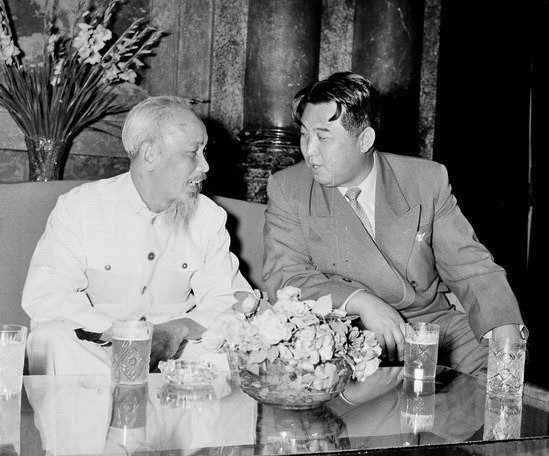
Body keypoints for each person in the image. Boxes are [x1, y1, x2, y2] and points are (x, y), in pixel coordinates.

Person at [263, 72, 526, 375]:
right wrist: (360, 301)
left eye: (323, 137)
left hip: (426, 327)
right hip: (341, 332)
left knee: (502, 358)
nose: (309, 151)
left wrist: (503, 327)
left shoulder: (426, 180)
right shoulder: (289, 187)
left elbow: (469, 265)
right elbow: (285, 276)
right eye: (304, 135)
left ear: (365, 139)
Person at [22, 95, 252, 375]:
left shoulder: (208, 217)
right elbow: (46, 296)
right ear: (150, 154)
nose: (204, 167)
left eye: (204, 153)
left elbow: (228, 298)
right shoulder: (79, 208)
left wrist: (177, 330)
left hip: (177, 356)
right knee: (48, 341)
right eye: (193, 153)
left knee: (234, 350)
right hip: (97, 352)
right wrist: (122, 335)